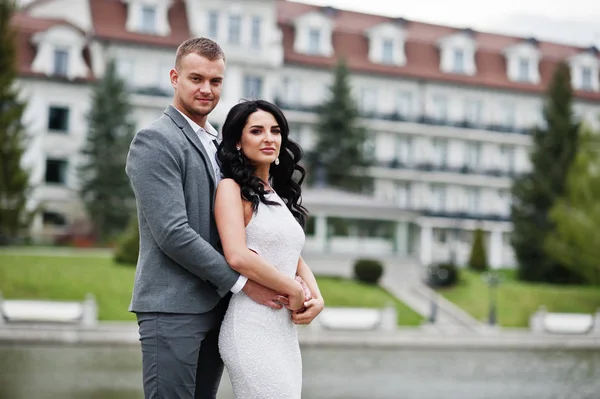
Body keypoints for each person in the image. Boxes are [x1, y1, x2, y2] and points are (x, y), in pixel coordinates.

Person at [125, 37, 292, 399]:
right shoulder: (155, 140)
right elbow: (172, 233)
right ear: (174, 77)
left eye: (215, 81)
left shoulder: (220, 146)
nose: (206, 89)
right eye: (196, 78)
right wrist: (243, 284)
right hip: (172, 309)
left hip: (218, 309)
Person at [215, 99, 325, 399]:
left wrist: (316, 297)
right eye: (257, 131)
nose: (269, 138)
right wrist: (292, 288)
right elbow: (236, 255)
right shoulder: (230, 188)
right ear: (238, 142)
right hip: (251, 326)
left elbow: (292, 253)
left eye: (275, 131)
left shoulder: (275, 193)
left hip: (282, 331)